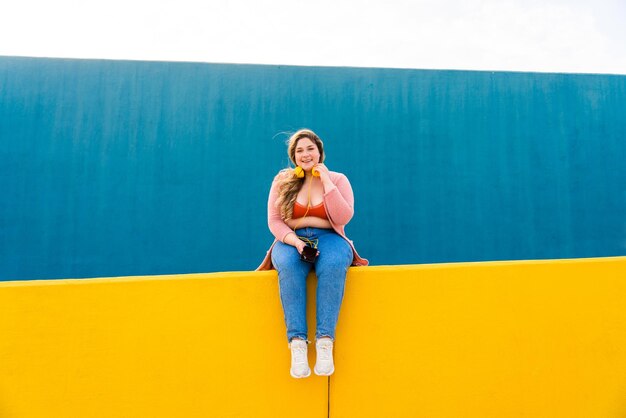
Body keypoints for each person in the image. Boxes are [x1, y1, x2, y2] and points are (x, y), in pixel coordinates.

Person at [257, 129, 368, 378]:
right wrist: (295, 243)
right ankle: (297, 344)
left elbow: (343, 217)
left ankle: (325, 341)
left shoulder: (338, 179)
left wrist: (326, 180)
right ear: (293, 156)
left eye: (310, 149)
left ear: (319, 151)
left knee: (333, 265)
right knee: (288, 267)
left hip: (329, 238)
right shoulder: (282, 181)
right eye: (299, 151)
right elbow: (274, 222)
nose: (305, 154)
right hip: (289, 238)